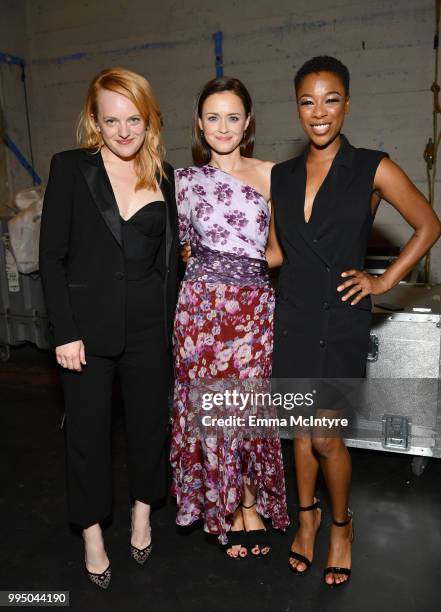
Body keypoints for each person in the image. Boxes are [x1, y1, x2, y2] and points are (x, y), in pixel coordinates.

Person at [268, 55, 441, 586]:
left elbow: (428, 225)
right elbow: (276, 251)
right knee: (297, 433)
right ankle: (306, 521)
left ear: (347, 103)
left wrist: (384, 281)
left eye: (330, 99)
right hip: (293, 315)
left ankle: (341, 525)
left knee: (324, 438)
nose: (318, 113)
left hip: (340, 319)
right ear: (297, 107)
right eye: (307, 101)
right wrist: (214, 254)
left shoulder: (372, 166)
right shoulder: (283, 173)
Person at [39, 67, 179, 588]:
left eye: (134, 119)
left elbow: (171, 263)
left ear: (149, 119)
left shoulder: (165, 176)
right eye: (111, 119)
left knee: (148, 429)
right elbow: (51, 257)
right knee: (88, 438)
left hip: (150, 329)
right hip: (86, 334)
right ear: (95, 120)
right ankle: (93, 536)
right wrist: (64, 330)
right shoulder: (71, 168)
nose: (124, 131)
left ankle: (143, 515)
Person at [170, 76, 289, 558]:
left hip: (254, 308)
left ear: (248, 122)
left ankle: (249, 502)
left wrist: (240, 270)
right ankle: (229, 508)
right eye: (213, 117)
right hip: (200, 313)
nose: (223, 127)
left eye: (233, 117)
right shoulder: (183, 181)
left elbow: (278, 251)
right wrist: (208, 272)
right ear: (200, 124)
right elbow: (175, 251)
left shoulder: (272, 174)